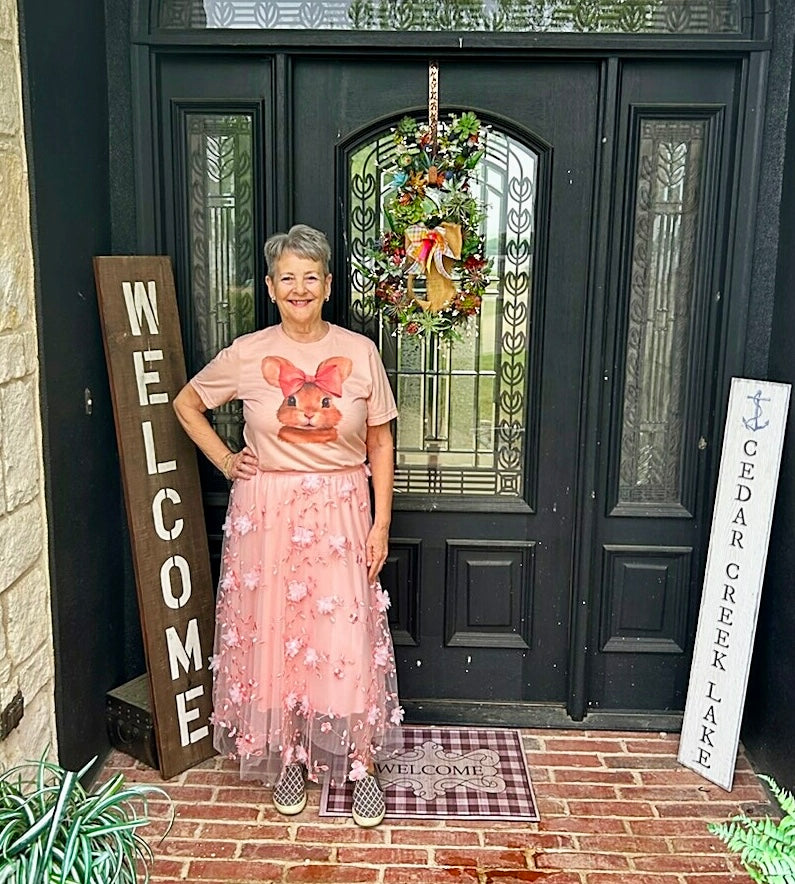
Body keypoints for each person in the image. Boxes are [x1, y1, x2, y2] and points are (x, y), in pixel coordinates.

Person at [173, 223, 402, 828]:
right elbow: (187, 404)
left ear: (328, 285)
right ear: (272, 288)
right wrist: (225, 460)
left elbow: (380, 440)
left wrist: (381, 523)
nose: (299, 288)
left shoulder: (359, 352)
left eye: (311, 277)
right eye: (287, 278)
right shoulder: (250, 354)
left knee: (345, 638)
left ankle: (362, 764)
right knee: (274, 633)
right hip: (266, 511)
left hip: (341, 507)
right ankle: (292, 755)